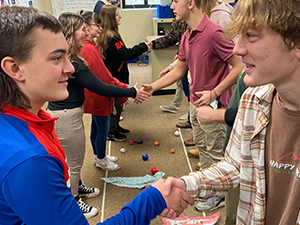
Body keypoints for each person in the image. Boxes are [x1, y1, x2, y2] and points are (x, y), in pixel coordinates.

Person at [0, 6, 194, 225]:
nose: (70, 68)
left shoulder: (22, 125)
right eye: (56, 58)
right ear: (15, 68)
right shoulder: (30, 161)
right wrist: (153, 198)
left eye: (66, 56)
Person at [162, 0, 300, 224]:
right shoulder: (253, 100)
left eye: (252, 36)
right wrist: (187, 184)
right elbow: (236, 165)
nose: (238, 48)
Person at [142, 0, 243, 212]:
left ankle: (219, 196)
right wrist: (152, 87)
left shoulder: (214, 32)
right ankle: (211, 191)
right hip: (195, 105)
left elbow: (239, 66)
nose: (171, 6)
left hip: (215, 106)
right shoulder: (188, 35)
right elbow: (179, 71)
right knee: (204, 148)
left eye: (175, 1)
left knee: (216, 153)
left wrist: (215, 92)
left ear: (190, 3)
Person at [47, 12, 149, 217]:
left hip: (70, 113)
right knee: (74, 163)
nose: (86, 32)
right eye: (82, 29)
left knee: (73, 159)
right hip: (65, 115)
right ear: (70, 32)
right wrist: (131, 91)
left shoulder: (71, 56)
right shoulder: (73, 61)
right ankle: (73, 200)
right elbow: (100, 86)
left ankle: (78, 187)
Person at [79, 11, 132, 171]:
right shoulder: (89, 49)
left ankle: (98, 155)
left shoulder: (91, 45)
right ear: (87, 27)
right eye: (98, 25)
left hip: (95, 94)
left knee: (96, 127)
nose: (101, 28)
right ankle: (101, 159)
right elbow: (104, 77)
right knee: (102, 129)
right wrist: (125, 91)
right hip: (99, 95)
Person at [195, 67, 247, 223]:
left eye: (252, 40)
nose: (238, 48)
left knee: (237, 215)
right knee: (232, 214)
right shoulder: (252, 72)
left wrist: (214, 114)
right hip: (235, 150)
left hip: (248, 160)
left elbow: (260, 112)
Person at [98, 5, 150, 142]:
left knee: (118, 104)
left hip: (116, 74)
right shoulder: (110, 37)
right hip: (114, 76)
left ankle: (115, 126)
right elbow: (126, 54)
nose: (120, 16)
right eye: (117, 14)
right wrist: (143, 46)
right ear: (110, 18)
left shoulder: (109, 34)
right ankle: (111, 130)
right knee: (115, 105)